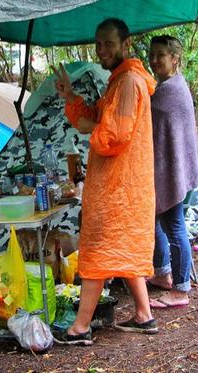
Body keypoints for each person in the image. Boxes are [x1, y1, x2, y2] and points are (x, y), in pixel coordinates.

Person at [52, 18, 158, 345]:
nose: (102, 50)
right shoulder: (120, 80)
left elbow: (114, 135)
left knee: (97, 250)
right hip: (123, 185)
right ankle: (144, 315)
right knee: (120, 248)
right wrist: (70, 95)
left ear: (126, 45)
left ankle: (80, 327)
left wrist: (87, 129)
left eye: (108, 43)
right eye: (98, 43)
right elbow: (100, 114)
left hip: (118, 186)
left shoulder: (128, 82)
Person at [146, 35, 198, 308]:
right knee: (155, 220)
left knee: (174, 226)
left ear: (175, 58)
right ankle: (162, 273)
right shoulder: (169, 86)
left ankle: (180, 289)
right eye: (152, 55)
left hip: (171, 171)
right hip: (169, 168)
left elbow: (149, 123)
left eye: (160, 55)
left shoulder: (170, 90)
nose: (154, 60)